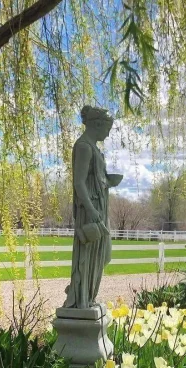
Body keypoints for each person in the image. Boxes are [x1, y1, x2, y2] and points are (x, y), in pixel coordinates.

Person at [63, 105, 123, 309]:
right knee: (90, 254)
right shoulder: (84, 147)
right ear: (97, 125)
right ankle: (81, 298)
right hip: (90, 211)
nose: (107, 134)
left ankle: (88, 297)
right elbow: (79, 182)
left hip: (99, 207)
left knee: (102, 254)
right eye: (107, 129)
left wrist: (107, 181)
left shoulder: (93, 147)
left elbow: (95, 178)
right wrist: (90, 210)